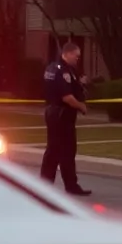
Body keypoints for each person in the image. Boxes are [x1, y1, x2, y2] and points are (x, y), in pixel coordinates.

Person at [40, 42, 91, 196]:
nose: (78, 59)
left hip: (59, 115)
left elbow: (73, 89)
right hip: (60, 115)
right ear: (67, 53)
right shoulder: (62, 71)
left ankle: (70, 185)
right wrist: (81, 106)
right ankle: (45, 187)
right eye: (76, 56)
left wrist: (81, 84)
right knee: (56, 151)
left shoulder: (55, 68)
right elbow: (67, 97)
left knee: (66, 151)